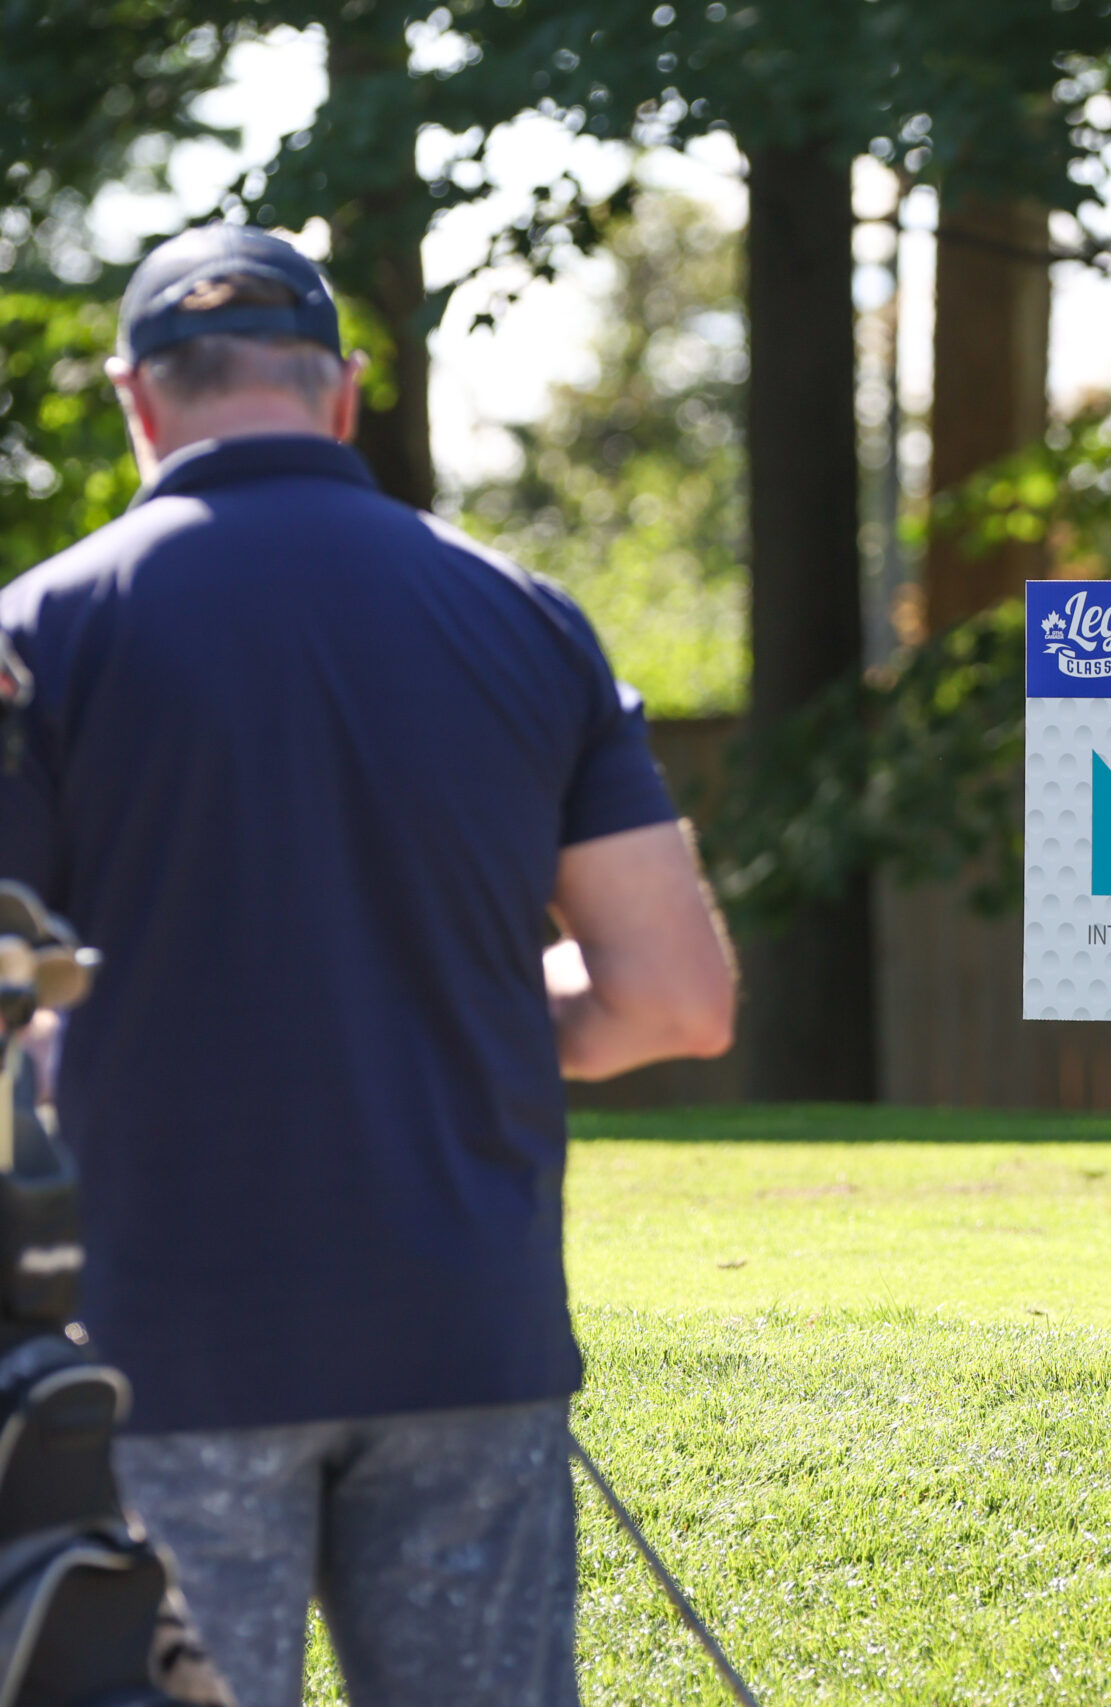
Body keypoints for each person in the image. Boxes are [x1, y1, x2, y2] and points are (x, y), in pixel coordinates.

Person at [0, 223, 737, 1707]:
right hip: (466, 1330)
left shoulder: (43, 633)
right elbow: (672, 999)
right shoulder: (527, 620)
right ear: (339, 393)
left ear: (137, 399)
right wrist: (433, 1001)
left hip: (158, 1344)